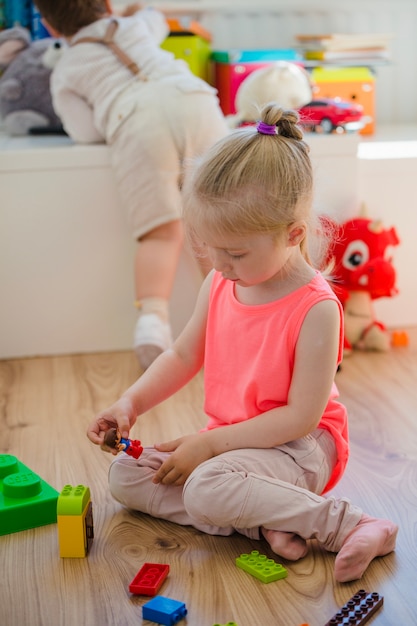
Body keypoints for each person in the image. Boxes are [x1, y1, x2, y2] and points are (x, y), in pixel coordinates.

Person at [87, 104, 398, 583]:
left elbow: (301, 418)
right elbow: (183, 354)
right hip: (235, 449)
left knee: (207, 487)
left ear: (293, 236)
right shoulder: (222, 281)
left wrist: (208, 445)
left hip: (300, 449)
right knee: (126, 478)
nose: (219, 264)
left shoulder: (315, 307)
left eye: (234, 252)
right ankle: (269, 520)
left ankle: (352, 523)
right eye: (210, 247)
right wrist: (130, 402)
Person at [36, 0, 229, 369]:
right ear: (108, 5)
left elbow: (85, 131)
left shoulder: (66, 69)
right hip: (194, 100)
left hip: (137, 120)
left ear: (50, 28)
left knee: (162, 231)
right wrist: (134, 12)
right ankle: (233, 311)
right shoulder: (137, 26)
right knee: (218, 218)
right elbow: (155, 17)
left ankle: (153, 324)